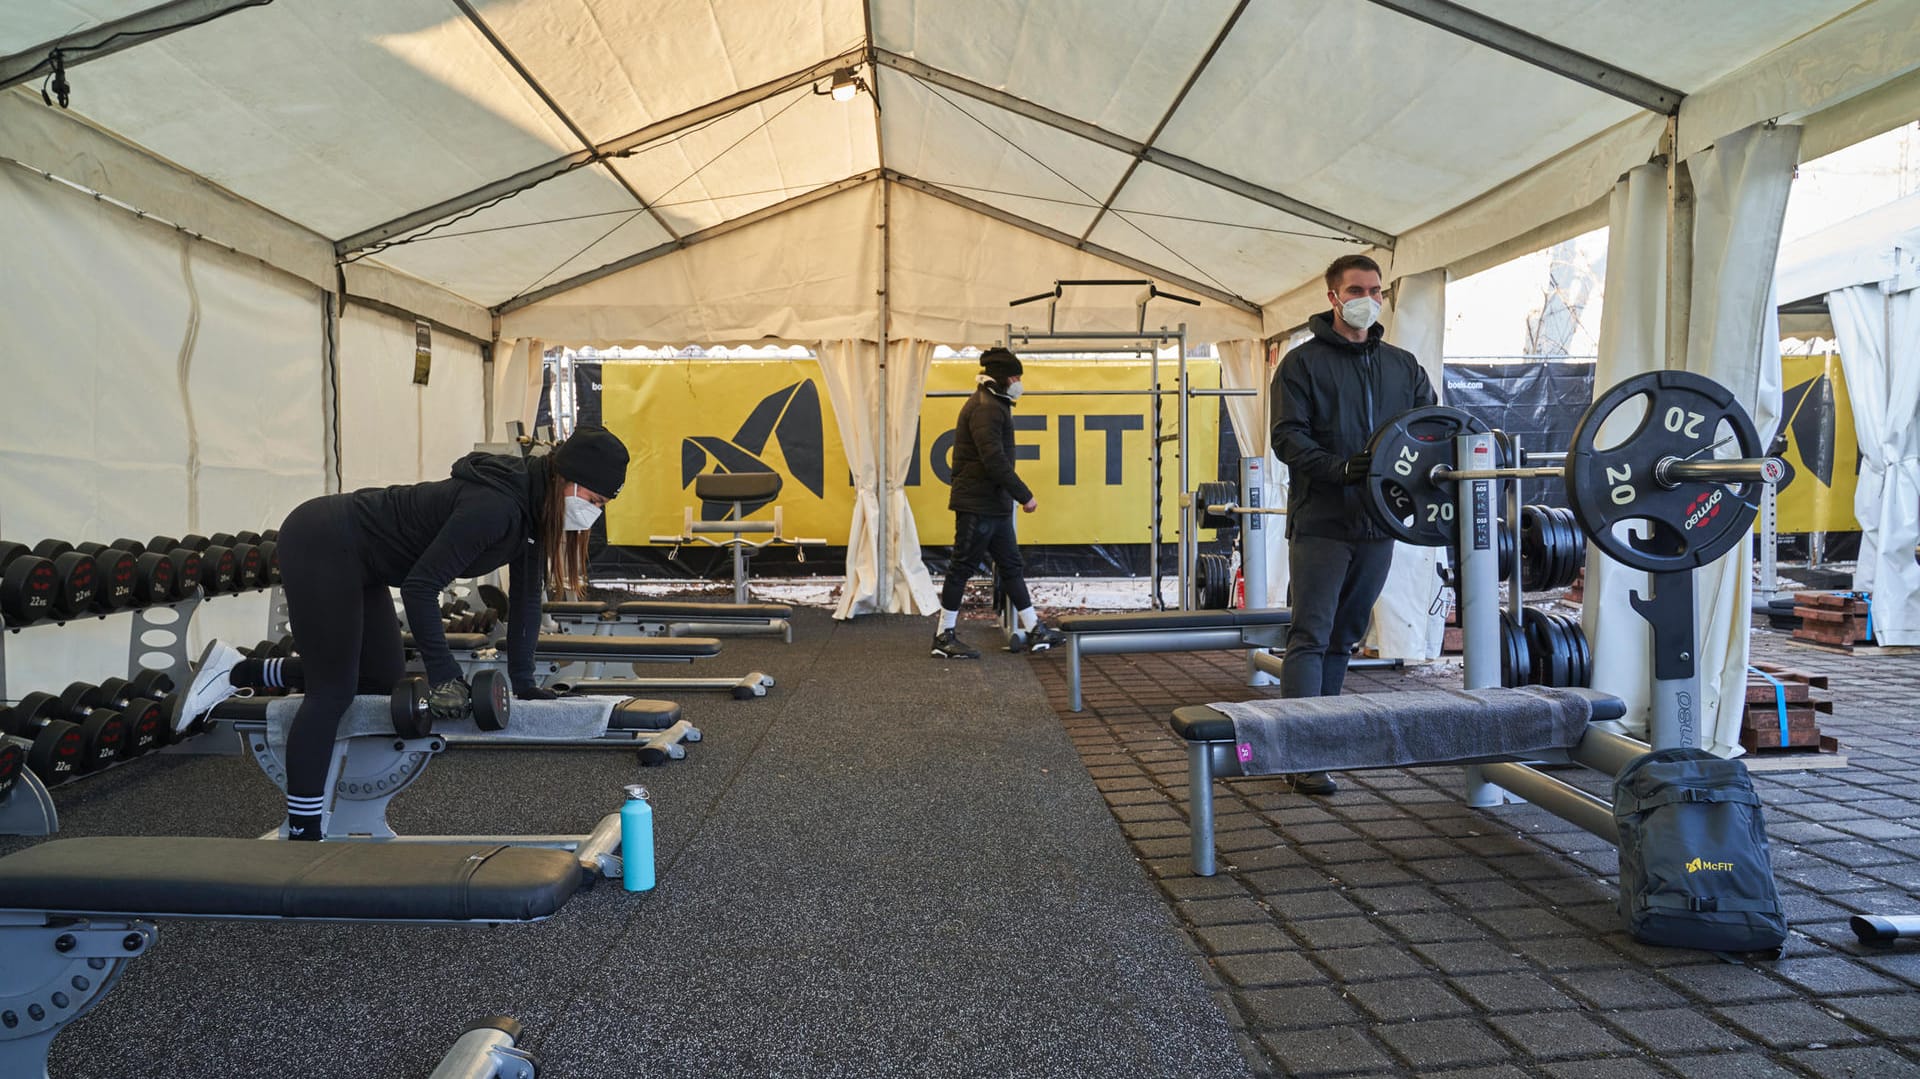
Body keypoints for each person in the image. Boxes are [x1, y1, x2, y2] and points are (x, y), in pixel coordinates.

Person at [175, 426, 630, 838]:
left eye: (602, 506)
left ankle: (238, 672)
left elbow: (528, 601)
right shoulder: (496, 509)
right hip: (323, 539)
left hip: (365, 560)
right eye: (593, 500)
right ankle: (303, 833)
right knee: (331, 694)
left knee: (376, 681)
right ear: (567, 478)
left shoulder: (532, 514)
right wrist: (446, 675)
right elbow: (420, 588)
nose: (592, 513)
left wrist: (527, 684)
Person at [1271, 254, 1436, 795]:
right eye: (1355, 289)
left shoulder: (1403, 366)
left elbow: (1428, 428)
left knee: (1345, 636)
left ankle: (1327, 738)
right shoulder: (1301, 365)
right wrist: (1338, 469)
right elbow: (1288, 438)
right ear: (1332, 297)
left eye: (1375, 289)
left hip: (1378, 524)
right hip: (1321, 520)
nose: (1367, 298)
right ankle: (1299, 751)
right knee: (1311, 635)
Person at [932, 347, 1065, 659]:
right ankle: (942, 636)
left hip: (993, 504)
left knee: (1011, 566)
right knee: (961, 567)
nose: (1019, 382)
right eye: (1016, 376)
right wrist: (1024, 495)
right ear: (1004, 378)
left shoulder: (994, 403)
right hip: (979, 504)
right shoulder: (986, 407)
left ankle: (1034, 630)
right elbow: (994, 460)